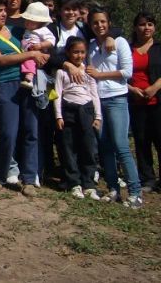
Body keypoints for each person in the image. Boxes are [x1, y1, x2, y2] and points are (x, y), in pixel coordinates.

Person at [0, 0, 48, 197]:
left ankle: (29, 178)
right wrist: (31, 55)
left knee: (31, 130)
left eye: (4, 10)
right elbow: (0, 60)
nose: (3, 13)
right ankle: (0, 175)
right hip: (5, 85)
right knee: (8, 132)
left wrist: (40, 53)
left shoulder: (18, 31)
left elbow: (39, 41)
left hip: (29, 82)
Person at [86, 7, 143, 208]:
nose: (99, 25)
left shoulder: (120, 43)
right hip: (98, 101)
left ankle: (135, 192)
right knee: (105, 148)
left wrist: (100, 75)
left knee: (121, 146)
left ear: (109, 23)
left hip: (117, 98)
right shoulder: (91, 45)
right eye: (95, 22)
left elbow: (127, 71)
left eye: (102, 21)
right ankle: (113, 189)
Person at [127, 12, 161, 193]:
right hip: (136, 100)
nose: (146, 28)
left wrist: (153, 88)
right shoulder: (128, 48)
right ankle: (147, 179)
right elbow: (122, 72)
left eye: (149, 24)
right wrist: (133, 91)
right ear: (135, 27)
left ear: (154, 27)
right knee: (141, 140)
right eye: (142, 24)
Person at [53, 37, 102, 200]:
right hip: (68, 110)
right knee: (69, 147)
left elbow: (95, 94)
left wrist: (98, 116)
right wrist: (58, 116)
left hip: (86, 110)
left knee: (88, 147)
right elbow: (58, 94)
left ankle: (88, 183)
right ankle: (74, 183)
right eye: (75, 52)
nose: (79, 55)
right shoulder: (62, 72)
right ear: (68, 52)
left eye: (82, 52)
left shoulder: (88, 72)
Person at [19, 2, 55, 90]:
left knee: (29, 61)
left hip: (37, 53)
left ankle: (29, 78)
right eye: (26, 20)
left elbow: (52, 41)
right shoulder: (27, 30)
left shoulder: (43, 30)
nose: (27, 22)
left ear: (40, 22)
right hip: (27, 51)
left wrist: (40, 45)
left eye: (30, 21)